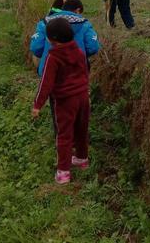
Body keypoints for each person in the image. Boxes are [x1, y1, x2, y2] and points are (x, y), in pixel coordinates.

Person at [32, 18, 90, 185]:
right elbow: (85, 72)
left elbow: (46, 83)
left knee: (64, 134)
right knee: (81, 128)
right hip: (82, 96)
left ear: (52, 38)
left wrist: (38, 104)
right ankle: (81, 158)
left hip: (65, 100)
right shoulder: (78, 52)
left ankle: (63, 172)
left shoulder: (53, 56)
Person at [30, 0, 100, 77]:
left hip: (49, 70)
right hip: (77, 72)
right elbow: (93, 47)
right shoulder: (85, 24)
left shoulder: (45, 23)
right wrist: (82, 54)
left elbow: (36, 47)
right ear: (77, 10)